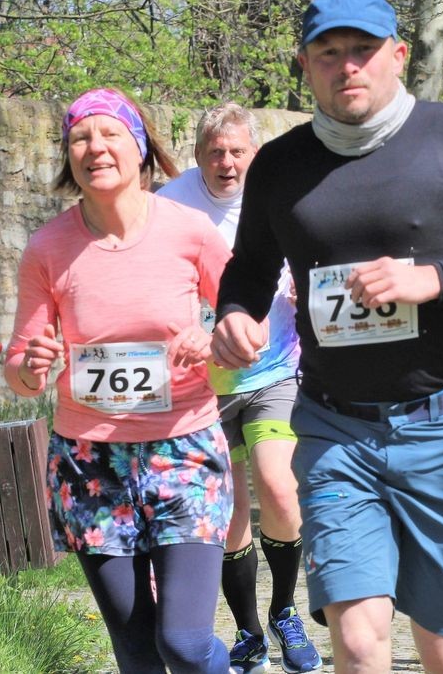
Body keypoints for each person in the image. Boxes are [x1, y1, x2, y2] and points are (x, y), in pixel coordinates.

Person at [211, 0, 443, 668]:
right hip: (334, 428)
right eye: (328, 53)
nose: (347, 66)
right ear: (304, 67)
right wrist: (235, 312)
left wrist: (435, 280)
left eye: (363, 50)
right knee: (357, 636)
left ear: (397, 55)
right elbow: (250, 268)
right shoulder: (279, 165)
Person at [4, 87, 234, 673]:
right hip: (89, 462)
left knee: (182, 643)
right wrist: (31, 366)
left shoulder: (191, 231)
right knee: (136, 653)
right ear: (67, 156)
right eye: (80, 137)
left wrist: (214, 342)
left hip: (184, 449)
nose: (94, 148)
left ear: (140, 148)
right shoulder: (47, 248)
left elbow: (246, 322)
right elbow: (20, 367)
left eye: (109, 134)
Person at [158, 104, 322, 674]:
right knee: (227, 511)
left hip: (273, 369)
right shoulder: (169, 203)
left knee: (279, 488)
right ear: (199, 155)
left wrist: (310, 284)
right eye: (216, 153)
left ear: (254, 153)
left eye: (237, 152)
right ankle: (248, 632)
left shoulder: (279, 193)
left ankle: (284, 611)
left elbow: (321, 251)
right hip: (201, 385)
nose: (227, 163)